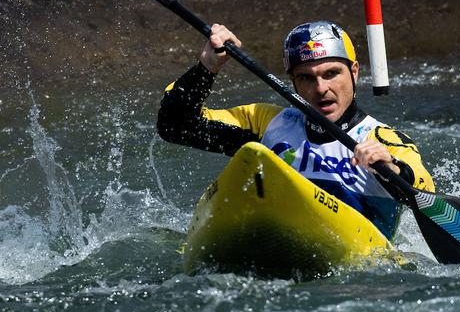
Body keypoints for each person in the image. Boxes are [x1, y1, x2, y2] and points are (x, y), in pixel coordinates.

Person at [157, 20, 434, 240]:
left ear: (355, 72)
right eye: (306, 78)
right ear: (293, 82)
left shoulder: (382, 140)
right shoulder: (267, 123)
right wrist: (207, 68)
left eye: (331, 73)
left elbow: (427, 195)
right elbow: (176, 125)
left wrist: (392, 169)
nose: (321, 88)